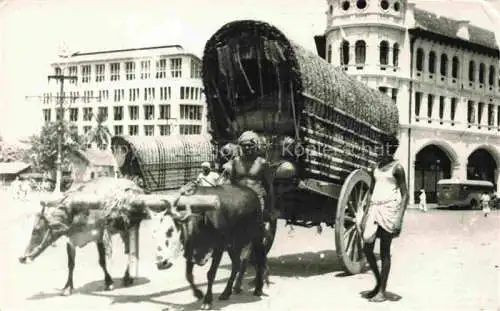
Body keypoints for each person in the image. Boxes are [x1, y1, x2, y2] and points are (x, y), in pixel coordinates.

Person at [361, 136, 409, 303]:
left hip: (389, 211)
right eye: (380, 147)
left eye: (386, 148)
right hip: (374, 209)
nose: (381, 150)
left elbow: (405, 195)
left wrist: (399, 219)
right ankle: (377, 283)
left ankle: (382, 290)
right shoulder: (376, 168)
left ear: (392, 149)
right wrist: (365, 213)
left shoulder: (398, 168)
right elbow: (370, 191)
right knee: (367, 248)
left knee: (384, 251)